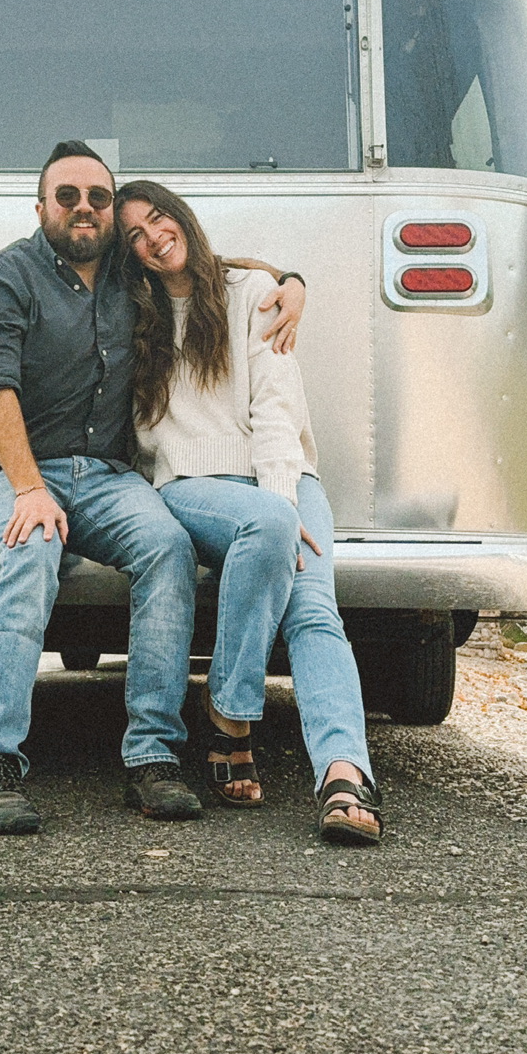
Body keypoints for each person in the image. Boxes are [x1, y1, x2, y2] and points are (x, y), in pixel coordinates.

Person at [0, 140, 306, 835]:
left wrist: (292, 281)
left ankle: (152, 755)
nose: (84, 209)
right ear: (41, 207)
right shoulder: (3, 279)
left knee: (169, 550)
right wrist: (29, 490)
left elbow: (213, 267)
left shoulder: (124, 268)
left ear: (111, 211)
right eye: (68, 196)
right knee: (31, 551)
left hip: (111, 479)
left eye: (98, 198)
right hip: (15, 473)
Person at [115, 179, 383, 846]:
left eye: (160, 219)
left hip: (286, 477)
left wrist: (281, 499)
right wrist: (272, 515)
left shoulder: (250, 298)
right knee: (268, 528)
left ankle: (343, 774)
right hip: (190, 485)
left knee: (316, 610)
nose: (154, 238)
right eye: (137, 236)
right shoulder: (131, 314)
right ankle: (233, 715)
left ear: (181, 217)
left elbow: (274, 408)